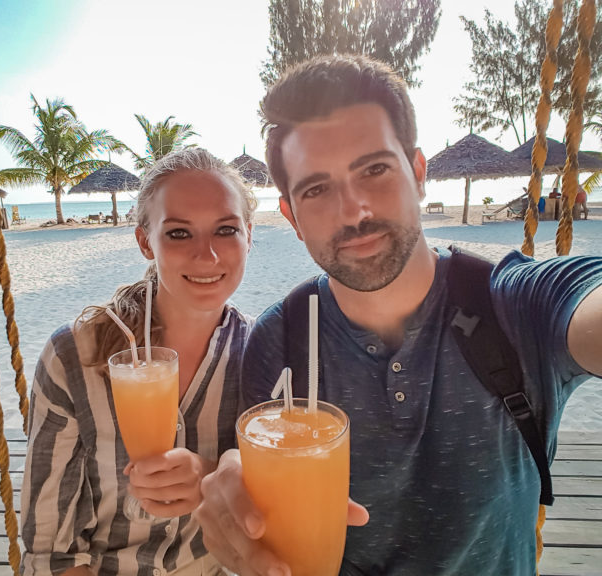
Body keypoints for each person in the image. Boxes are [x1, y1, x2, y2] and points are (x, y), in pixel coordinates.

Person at [194, 54, 602, 576]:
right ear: (292, 216)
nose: (354, 209)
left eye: (374, 169)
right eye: (317, 189)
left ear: (418, 172)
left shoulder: (516, 304)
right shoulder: (279, 340)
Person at [21, 148, 257, 576]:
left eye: (225, 230)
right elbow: (50, 552)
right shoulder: (75, 357)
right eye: (179, 234)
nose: (207, 255)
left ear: (249, 236)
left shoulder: (263, 354)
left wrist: (209, 478)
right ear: (146, 241)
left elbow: (276, 503)